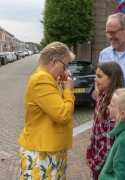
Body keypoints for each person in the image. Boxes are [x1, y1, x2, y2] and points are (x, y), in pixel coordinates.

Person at [18, 42, 75, 180]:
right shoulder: (42, 79)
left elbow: (55, 107)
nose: (64, 70)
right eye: (64, 66)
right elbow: (62, 115)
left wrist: (61, 85)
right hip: (43, 152)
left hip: (49, 149)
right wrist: (68, 91)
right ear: (54, 62)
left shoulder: (48, 78)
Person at [86, 61, 125, 180]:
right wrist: (90, 150)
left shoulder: (113, 107)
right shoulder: (100, 99)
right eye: (95, 75)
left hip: (107, 164)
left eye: (99, 76)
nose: (95, 79)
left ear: (111, 79)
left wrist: (95, 165)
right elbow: (95, 129)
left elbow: (109, 145)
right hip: (97, 155)